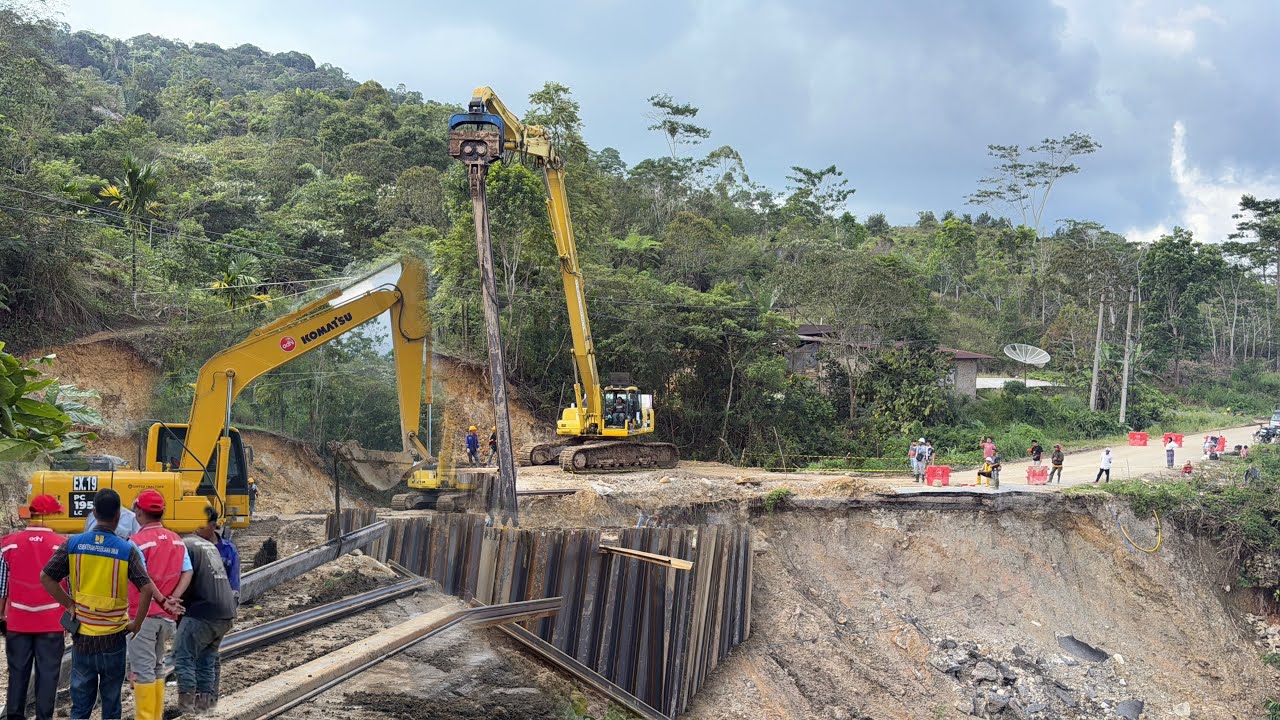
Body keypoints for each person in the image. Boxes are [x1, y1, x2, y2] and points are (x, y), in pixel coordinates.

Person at [40, 489, 177, 720]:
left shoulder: (73, 544)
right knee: (111, 705)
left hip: (83, 638)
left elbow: (46, 577)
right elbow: (146, 589)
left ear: (94, 512)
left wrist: (70, 604)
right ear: (117, 517)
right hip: (114, 638)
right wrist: (136, 624)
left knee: (81, 706)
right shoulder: (126, 549)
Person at [1, 495, 68, 720]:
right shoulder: (62, 545)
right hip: (52, 622)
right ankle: (43, 717)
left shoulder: (8, 544)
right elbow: (69, 585)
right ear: (49, 515)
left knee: (17, 674)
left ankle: (14, 716)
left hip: (18, 622)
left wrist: (2, 613)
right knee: (48, 675)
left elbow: (1, 586)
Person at [127, 489, 192, 720]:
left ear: (139, 513)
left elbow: (143, 579)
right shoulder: (177, 540)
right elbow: (188, 571)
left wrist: (163, 600)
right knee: (157, 667)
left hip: (143, 617)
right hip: (167, 619)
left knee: (143, 671)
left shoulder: (136, 543)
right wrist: (173, 598)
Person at [174, 506, 238, 714]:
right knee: (207, 658)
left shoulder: (187, 545)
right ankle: (205, 707)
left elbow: (183, 578)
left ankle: (187, 709)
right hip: (225, 613)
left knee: (183, 655)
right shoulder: (209, 546)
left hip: (204, 612)